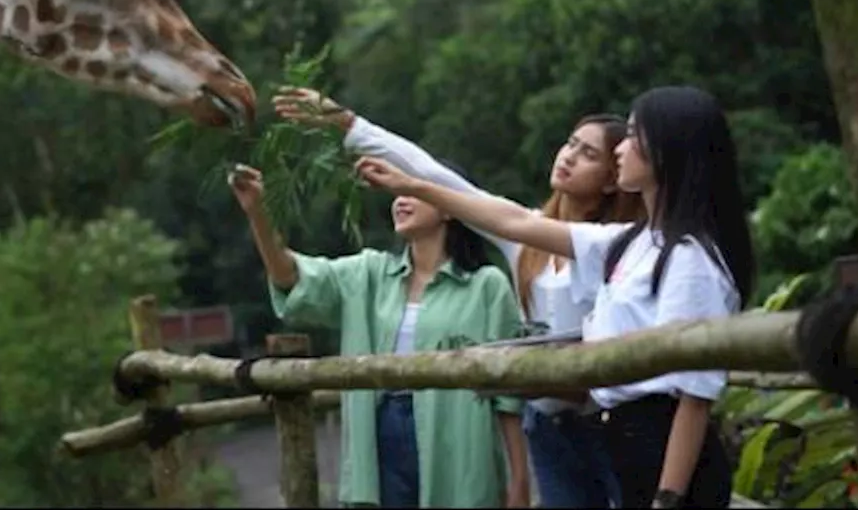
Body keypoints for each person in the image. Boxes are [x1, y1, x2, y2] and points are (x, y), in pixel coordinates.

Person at [353, 85, 754, 509]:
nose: (623, 149)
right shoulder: (632, 242)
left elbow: (693, 397)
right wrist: (415, 185)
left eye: (634, 136)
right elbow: (511, 220)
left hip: (660, 448)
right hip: (622, 438)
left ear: (667, 151)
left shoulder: (690, 259)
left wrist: (668, 498)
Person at [273, 87, 640, 508]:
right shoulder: (524, 240)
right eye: (571, 143)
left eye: (589, 154)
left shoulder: (619, 246)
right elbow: (435, 174)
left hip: (612, 424)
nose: (569, 156)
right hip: (548, 426)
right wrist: (349, 124)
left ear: (614, 179)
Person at [228, 161, 531, 508]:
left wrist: (520, 481)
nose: (400, 200)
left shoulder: (486, 286)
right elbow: (289, 277)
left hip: (458, 435)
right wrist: (258, 213)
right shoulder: (368, 274)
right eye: (397, 193)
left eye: (413, 191)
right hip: (381, 430)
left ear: (449, 207)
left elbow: (508, 398)